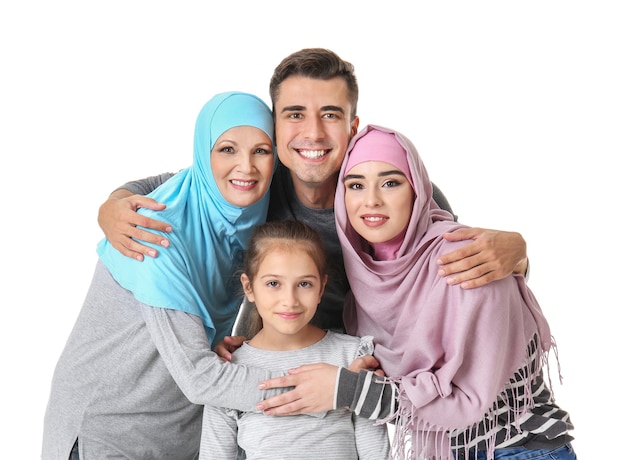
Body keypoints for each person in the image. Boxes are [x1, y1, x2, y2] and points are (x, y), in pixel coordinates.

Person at [97, 48, 529, 414]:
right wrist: (113, 204)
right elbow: (182, 182)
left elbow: (457, 275)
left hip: (369, 375)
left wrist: (519, 252)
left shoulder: (389, 190)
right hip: (277, 355)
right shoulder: (259, 182)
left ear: (353, 127)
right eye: (294, 115)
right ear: (276, 129)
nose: (313, 133)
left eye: (330, 114)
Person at [42, 91, 300, 459]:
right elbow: (201, 378)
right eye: (227, 149)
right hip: (110, 429)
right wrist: (322, 387)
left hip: (178, 425)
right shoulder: (153, 235)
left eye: (261, 150)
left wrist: (117, 195)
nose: (246, 166)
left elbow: (165, 179)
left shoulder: (232, 208)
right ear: (203, 153)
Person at [333, 124, 576, 459]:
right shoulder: (361, 283)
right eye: (356, 185)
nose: (371, 200)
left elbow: (468, 403)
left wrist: (349, 391)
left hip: (518, 449)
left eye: (390, 183)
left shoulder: (466, 258)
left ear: (418, 191)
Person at [199, 220, 390, 459]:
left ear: (322, 288)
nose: (290, 300)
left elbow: (377, 454)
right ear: (249, 287)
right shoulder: (229, 371)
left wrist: (354, 387)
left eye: (304, 284)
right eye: (273, 283)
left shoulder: (353, 356)